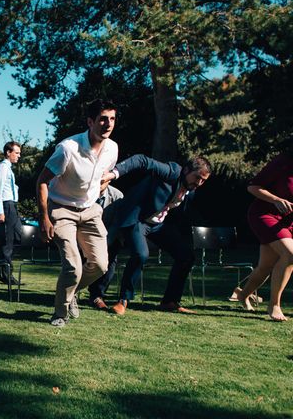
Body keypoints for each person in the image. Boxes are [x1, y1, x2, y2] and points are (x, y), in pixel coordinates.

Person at [36, 100, 118, 327]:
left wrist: (95, 198)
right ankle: (60, 314)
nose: (108, 124)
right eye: (103, 118)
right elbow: (42, 182)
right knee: (73, 266)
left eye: (112, 119)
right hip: (61, 209)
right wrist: (44, 217)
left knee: (101, 264)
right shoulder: (68, 149)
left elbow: (102, 177)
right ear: (90, 122)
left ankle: (70, 293)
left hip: (90, 211)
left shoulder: (112, 148)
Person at [101, 155, 212, 315]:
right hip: (138, 220)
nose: (199, 183)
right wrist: (114, 173)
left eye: (203, 181)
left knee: (186, 256)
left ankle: (170, 301)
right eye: (197, 178)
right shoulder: (171, 172)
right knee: (141, 254)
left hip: (158, 225)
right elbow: (141, 160)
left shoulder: (191, 190)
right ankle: (123, 300)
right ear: (186, 170)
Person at [236, 152, 293, 321]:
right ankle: (274, 305)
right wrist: (276, 199)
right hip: (265, 215)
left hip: (288, 222)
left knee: (265, 266)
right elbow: (253, 187)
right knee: (290, 255)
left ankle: (242, 295)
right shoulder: (283, 162)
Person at [87, 184, 124, 310]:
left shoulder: (117, 196)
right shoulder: (84, 192)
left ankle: (97, 295)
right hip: (86, 235)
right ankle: (72, 293)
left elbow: (117, 223)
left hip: (109, 236)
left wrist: (105, 242)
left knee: (110, 261)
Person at [0, 141, 22, 285]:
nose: (18, 156)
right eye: (16, 153)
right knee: (8, 241)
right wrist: (0, 211)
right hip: (6, 205)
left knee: (18, 235)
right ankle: (5, 272)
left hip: (13, 205)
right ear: (8, 153)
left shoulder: (9, 168)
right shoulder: (3, 168)